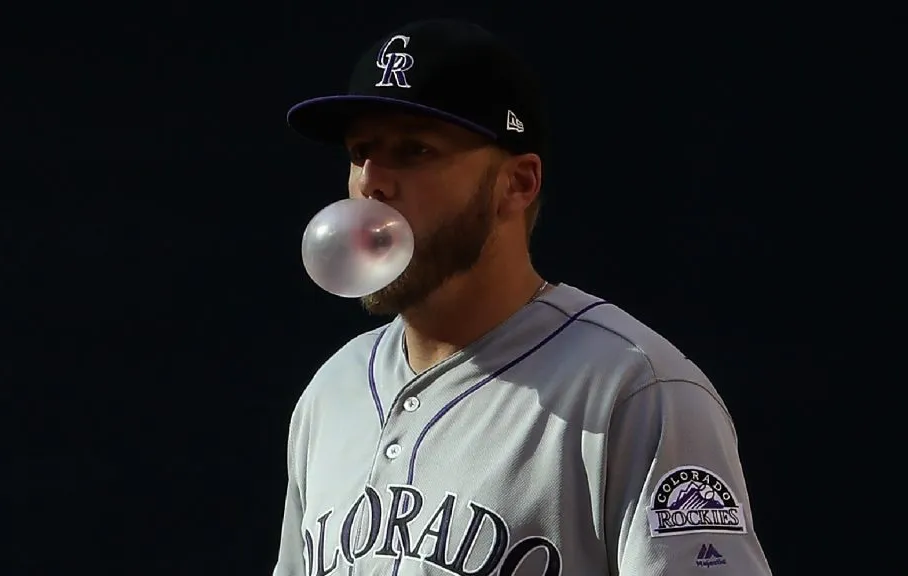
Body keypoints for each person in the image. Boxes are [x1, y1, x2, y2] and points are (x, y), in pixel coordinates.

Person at [274, 18, 772, 576]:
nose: (372, 182)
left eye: (414, 150)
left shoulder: (635, 390)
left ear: (518, 183)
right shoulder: (332, 391)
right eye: (360, 150)